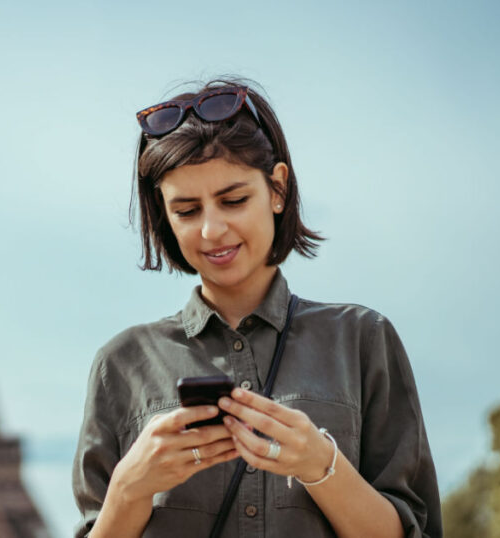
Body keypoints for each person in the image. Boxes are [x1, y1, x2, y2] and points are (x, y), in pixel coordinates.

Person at [72, 78, 441, 538]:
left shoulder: (363, 339)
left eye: (234, 200)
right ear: (163, 215)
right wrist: (129, 489)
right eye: (186, 210)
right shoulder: (120, 364)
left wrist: (321, 464)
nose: (211, 230)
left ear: (278, 189)